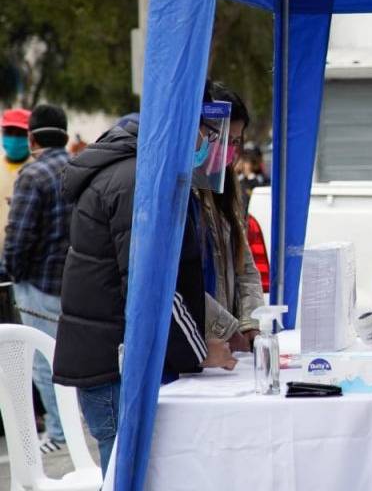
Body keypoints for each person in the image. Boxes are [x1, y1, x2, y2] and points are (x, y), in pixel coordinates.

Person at [53, 110, 237, 474]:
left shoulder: (134, 171)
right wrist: (200, 352)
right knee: (127, 473)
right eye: (208, 135)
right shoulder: (139, 180)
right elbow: (151, 287)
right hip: (113, 366)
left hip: (108, 358)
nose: (208, 147)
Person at [3, 105, 71, 454]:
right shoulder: (79, 168)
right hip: (73, 284)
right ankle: (73, 429)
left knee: (44, 366)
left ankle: (59, 435)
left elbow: (19, 237)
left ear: (32, 138)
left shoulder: (32, 175)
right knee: (70, 361)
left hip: (38, 285)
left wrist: (11, 270)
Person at [199, 82, 265, 349]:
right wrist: (227, 331)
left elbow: (245, 267)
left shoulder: (228, 186)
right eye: (226, 139)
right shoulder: (185, 189)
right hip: (201, 344)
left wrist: (250, 322)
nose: (230, 150)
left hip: (227, 345)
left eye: (236, 142)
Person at [0, 108, 32, 325]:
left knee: (22, 327)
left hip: (25, 268)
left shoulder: (36, 171)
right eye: (8, 131)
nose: (13, 138)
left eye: (19, 133)